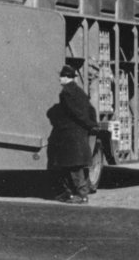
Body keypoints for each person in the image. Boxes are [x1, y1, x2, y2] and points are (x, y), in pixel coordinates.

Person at [47, 64, 99, 204]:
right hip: (80, 133)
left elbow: (74, 112)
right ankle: (68, 193)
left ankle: (81, 195)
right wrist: (92, 124)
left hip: (71, 135)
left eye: (62, 76)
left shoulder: (66, 93)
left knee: (73, 165)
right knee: (72, 165)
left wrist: (88, 124)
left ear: (67, 78)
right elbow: (91, 109)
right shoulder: (80, 91)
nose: (60, 79)